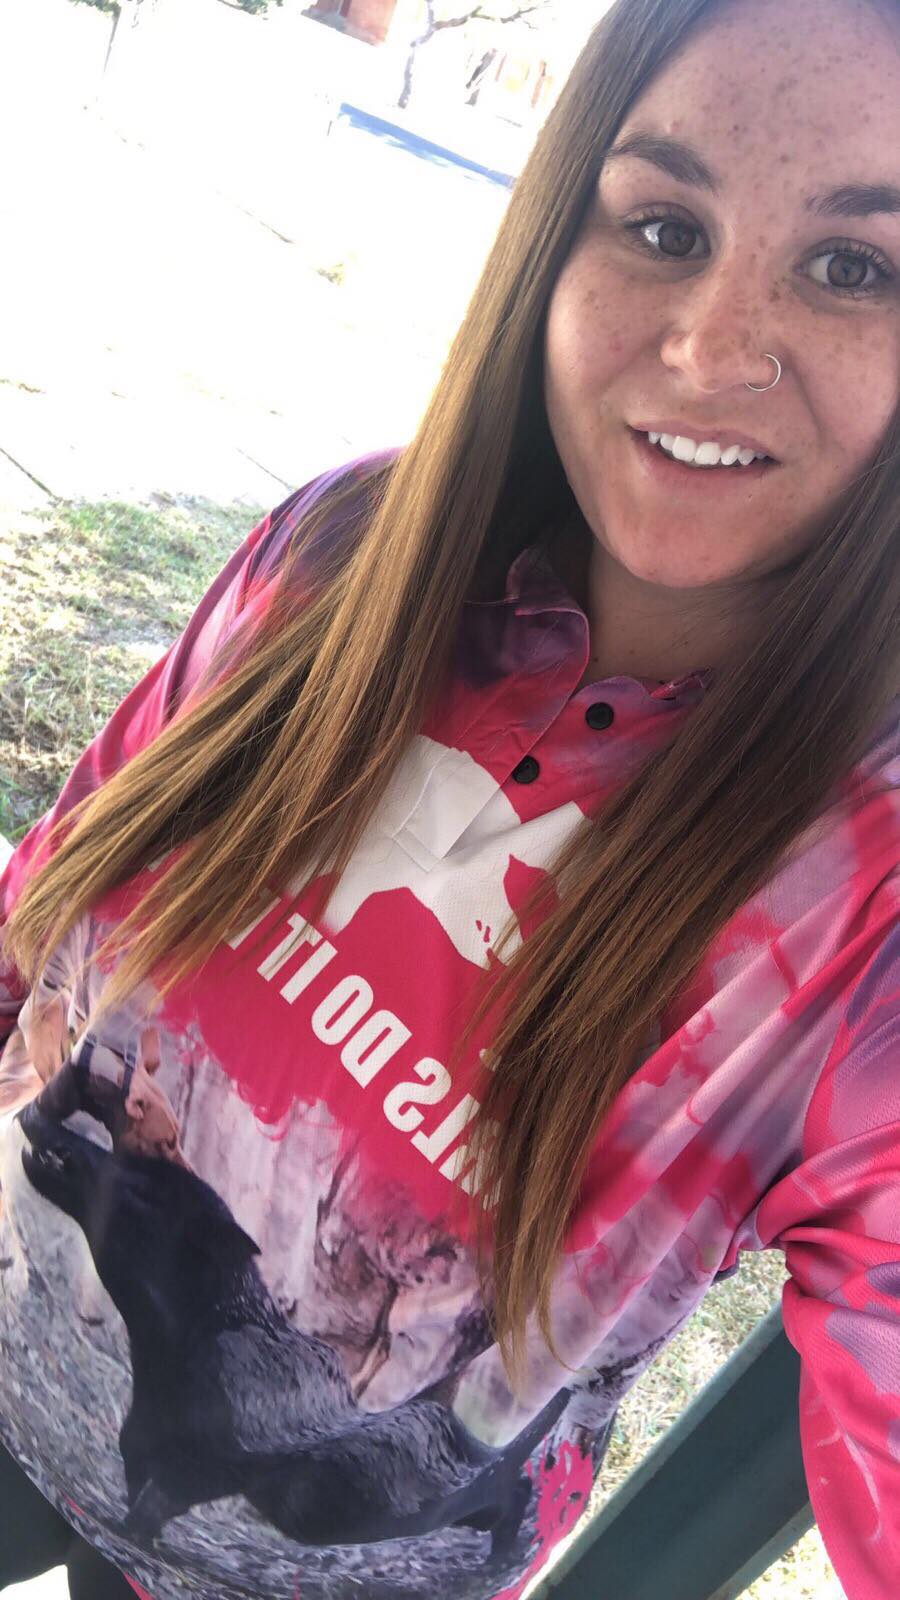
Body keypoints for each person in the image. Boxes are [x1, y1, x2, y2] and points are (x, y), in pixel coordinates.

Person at [0, 0, 898, 1596]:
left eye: (853, 265)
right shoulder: (342, 548)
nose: (709, 349)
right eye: (664, 226)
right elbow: (55, 901)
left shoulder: (864, 920)